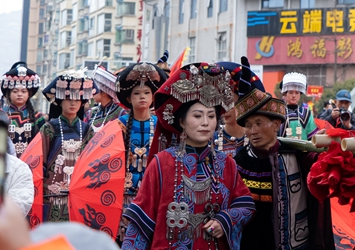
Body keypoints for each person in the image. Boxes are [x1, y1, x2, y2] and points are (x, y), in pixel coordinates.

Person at [121, 63, 255, 250]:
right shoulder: (162, 163)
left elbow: (246, 206)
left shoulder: (226, 164)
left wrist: (225, 220)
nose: (205, 123)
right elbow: (141, 222)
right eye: (198, 116)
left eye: (211, 116)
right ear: (182, 121)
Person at [233, 88, 332, 250]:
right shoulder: (240, 161)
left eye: (259, 123)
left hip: (291, 239)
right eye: (249, 126)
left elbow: (320, 172)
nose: (253, 131)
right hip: (250, 239)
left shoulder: (296, 155)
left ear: (276, 124)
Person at [39, 70, 95, 222]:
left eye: (77, 99)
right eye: (68, 98)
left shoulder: (88, 130)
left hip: (79, 190)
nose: (73, 103)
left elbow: (92, 163)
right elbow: (40, 163)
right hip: (52, 193)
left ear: (82, 102)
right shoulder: (49, 128)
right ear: (59, 100)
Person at [115, 61, 168, 208]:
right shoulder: (119, 125)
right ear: (128, 99)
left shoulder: (161, 125)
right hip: (124, 193)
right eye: (137, 93)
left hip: (154, 191)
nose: (142, 97)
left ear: (153, 97)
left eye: (146, 93)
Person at [214, 58, 266, 156]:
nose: (225, 109)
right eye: (221, 103)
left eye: (230, 102)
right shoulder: (211, 140)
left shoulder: (256, 138)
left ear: (242, 104)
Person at [1, 62, 47, 156]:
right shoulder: (2, 115)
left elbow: (43, 145)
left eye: (23, 91)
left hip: (31, 163)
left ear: (29, 94)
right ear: (8, 94)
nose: (19, 94)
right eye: (15, 91)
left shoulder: (38, 118)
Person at [83, 66, 126, 143]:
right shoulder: (91, 112)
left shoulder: (121, 113)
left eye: (95, 89)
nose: (92, 92)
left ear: (104, 92)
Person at [279, 73, 317, 140]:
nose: (294, 95)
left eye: (297, 93)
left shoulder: (306, 113)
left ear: (300, 95)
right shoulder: (279, 112)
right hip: (282, 150)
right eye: (290, 92)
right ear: (285, 94)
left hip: (304, 149)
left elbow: (312, 137)